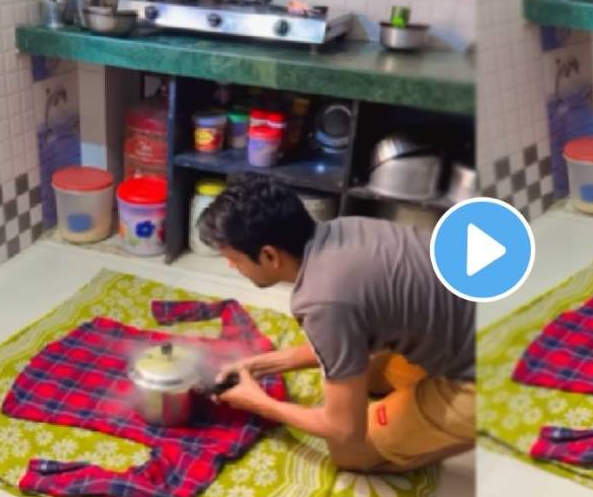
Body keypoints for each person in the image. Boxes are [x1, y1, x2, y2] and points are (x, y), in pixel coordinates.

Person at [197, 173, 475, 472]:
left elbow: (344, 429)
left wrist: (258, 402)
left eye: (235, 260)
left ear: (268, 255)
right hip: (479, 324)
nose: (230, 266)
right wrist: (257, 365)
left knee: (350, 451)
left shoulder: (323, 302)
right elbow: (346, 337)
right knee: (365, 375)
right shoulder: (341, 228)